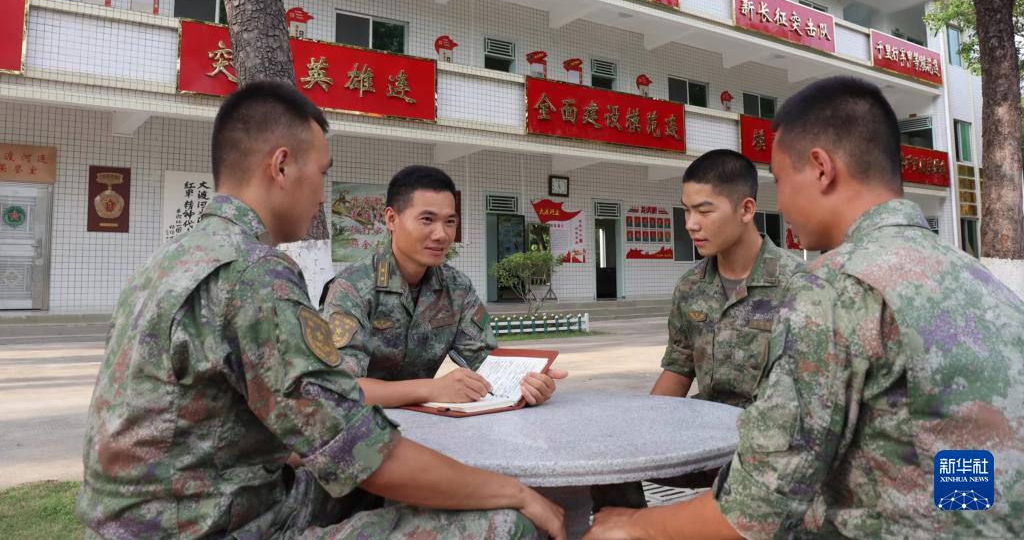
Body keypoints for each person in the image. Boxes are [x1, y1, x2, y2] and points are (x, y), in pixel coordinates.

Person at [76, 82, 565, 539]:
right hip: (216, 524)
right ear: (282, 166)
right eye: (323, 173)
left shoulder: (173, 258)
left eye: (450, 222)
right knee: (509, 524)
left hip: (168, 512)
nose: (323, 194)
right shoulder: (255, 274)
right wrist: (517, 492)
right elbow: (362, 452)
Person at [586, 76, 1024, 539]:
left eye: (780, 179)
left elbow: (756, 509)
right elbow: (962, 451)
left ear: (820, 168)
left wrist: (635, 526)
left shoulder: (833, 286)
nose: (783, 200)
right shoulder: (976, 277)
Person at [591, 149, 804, 511]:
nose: (690, 223)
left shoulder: (797, 285)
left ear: (746, 209)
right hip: (704, 435)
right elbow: (679, 366)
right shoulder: (691, 286)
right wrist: (633, 431)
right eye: (686, 211)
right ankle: (627, 528)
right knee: (607, 457)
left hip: (770, 446)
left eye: (704, 211)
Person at [320, 165, 566, 408]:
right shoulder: (351, 288)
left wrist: (526, 382)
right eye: (427, 219)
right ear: (391, 219)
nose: (442, 234)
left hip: (428, 425)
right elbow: (339, 387)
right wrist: (433, 388)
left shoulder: (456, 288)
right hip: (359, 431)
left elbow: (484, 362)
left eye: (450, 222)